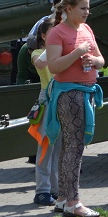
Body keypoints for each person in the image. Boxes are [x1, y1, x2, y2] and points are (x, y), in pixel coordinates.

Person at [45, 0, 104, 217]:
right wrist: (77, 52)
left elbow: (101, 61)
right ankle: (73, 202)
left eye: (88, 8)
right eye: (83, 8)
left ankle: (62, 199)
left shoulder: (86, 29)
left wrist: (93, 60)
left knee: (71, 146)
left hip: (86, 92)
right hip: (69, 95)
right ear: (68, 9)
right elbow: (54, 67)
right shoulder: (57, 33)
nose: (87, 12)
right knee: (74, 147)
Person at [27, 18, 60, 206]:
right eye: (53, 33)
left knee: (59, 149)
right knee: (46, 146)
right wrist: (54, 45)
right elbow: (40, 64)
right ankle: (42, 190)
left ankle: (55, 189)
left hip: (62, 97)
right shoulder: (38, 52)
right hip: (47, 100)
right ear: (43, 35)